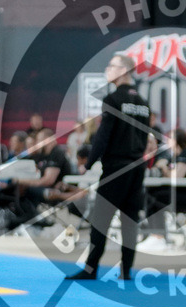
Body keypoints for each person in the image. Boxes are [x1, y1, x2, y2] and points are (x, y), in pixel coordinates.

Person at [65, 54, 151, 280]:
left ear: (123, 70)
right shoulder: (143, 103)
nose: (107, 70)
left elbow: (103, 136)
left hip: (116, 168)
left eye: (111, 66)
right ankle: (126, 271)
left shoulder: (113, 99)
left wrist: (89, 162)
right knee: (129, 220)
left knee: (100, 219)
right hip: (137, 168)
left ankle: (90, 268)